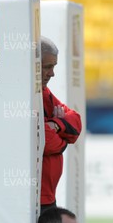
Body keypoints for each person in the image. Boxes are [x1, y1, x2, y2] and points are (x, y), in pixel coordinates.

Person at [39, 37, 82, 213]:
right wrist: (63, 141)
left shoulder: (43, 92)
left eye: (54, 67)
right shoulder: (28, 95)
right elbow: (46, 143)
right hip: (35, 197)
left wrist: (56, 125)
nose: (52, 74)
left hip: (47, 196)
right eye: (47, 67)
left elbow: (76, 121)